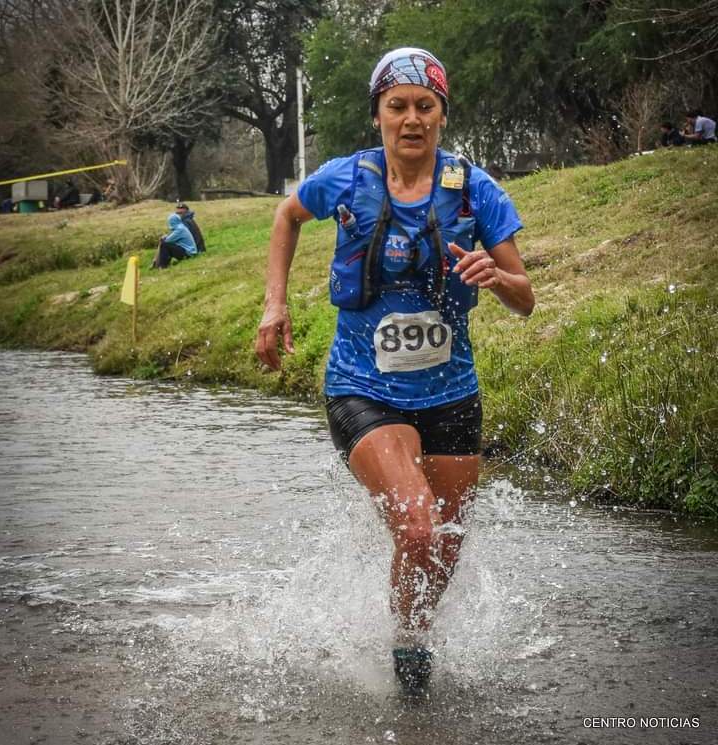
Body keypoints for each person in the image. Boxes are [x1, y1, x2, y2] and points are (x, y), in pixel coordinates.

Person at [255, 47, 534, 692]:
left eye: (424, 106)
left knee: (445, 541)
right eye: (397, 106)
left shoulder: (476, 190)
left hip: (451, 393)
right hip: (363, 387)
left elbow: (526, 299)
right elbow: (287, 214)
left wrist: (496, 277)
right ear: (378, 114)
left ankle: (413, 634)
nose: (412, 119)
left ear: (442, 114)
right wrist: (274, 304)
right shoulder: (345, 178)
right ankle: (408, 668)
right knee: (417, 523)